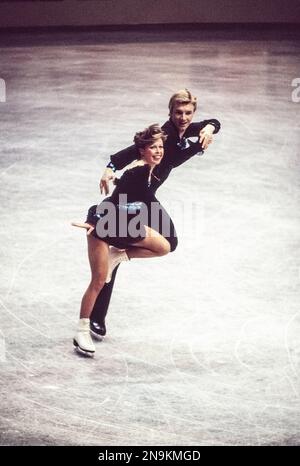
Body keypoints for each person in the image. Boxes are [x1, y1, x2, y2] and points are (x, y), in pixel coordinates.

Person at [90, 89, 221, 340]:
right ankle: (96, 317)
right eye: (178, 113)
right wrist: (110, 167)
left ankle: (120, 256)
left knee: (169, 243)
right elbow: (134, 150)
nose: (183, 118)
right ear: (170, 113)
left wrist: (210, 128)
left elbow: (214, 123)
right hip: (132, 195)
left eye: (188, 113)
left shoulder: (188, 129)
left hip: (147, 195)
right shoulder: (167, 134)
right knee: (115, 252)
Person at [73, 124, 174, 356]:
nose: (158, 151)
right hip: (104, 226)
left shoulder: (147, 170)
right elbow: (113, 201)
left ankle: (119, 254)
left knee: (164, 246)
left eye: (160, 147)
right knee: (98, 281)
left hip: (125, 226)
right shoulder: (136, 173)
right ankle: (82, 330)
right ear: (142, 150)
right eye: (152, 147)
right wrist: (95, 220)